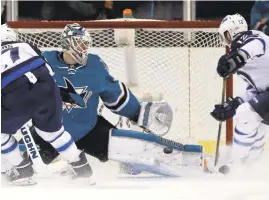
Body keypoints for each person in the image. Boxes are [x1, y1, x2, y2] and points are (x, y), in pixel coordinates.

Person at [23, 23, 203, 177]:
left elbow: (114, 95)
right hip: (48, 131)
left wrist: (137, 113)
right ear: (67, 43)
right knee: (18, 167)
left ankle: (192, 164)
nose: (83, 48)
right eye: (79, 43)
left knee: (130, 159)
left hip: (88, 129)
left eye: (86, 44)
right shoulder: (44, 61)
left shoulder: (95, 64)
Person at [1, 24, 94, 186]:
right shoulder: (26, 46)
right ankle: (83, 170)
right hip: (46, 85)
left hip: (15, 90)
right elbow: (49, 71)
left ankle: (22, 170)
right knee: (54, 133)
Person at [210, 14, 269, 174]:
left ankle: (235, 165)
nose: (225, 40)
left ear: (229, 33)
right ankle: (250, 170)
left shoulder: (251, 38)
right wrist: (235, 104)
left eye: (225, 35)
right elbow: (255, 91)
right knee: (260, 122)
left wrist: (238, 57)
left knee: (247, 114)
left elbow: (258, 44)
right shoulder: (247, 59)